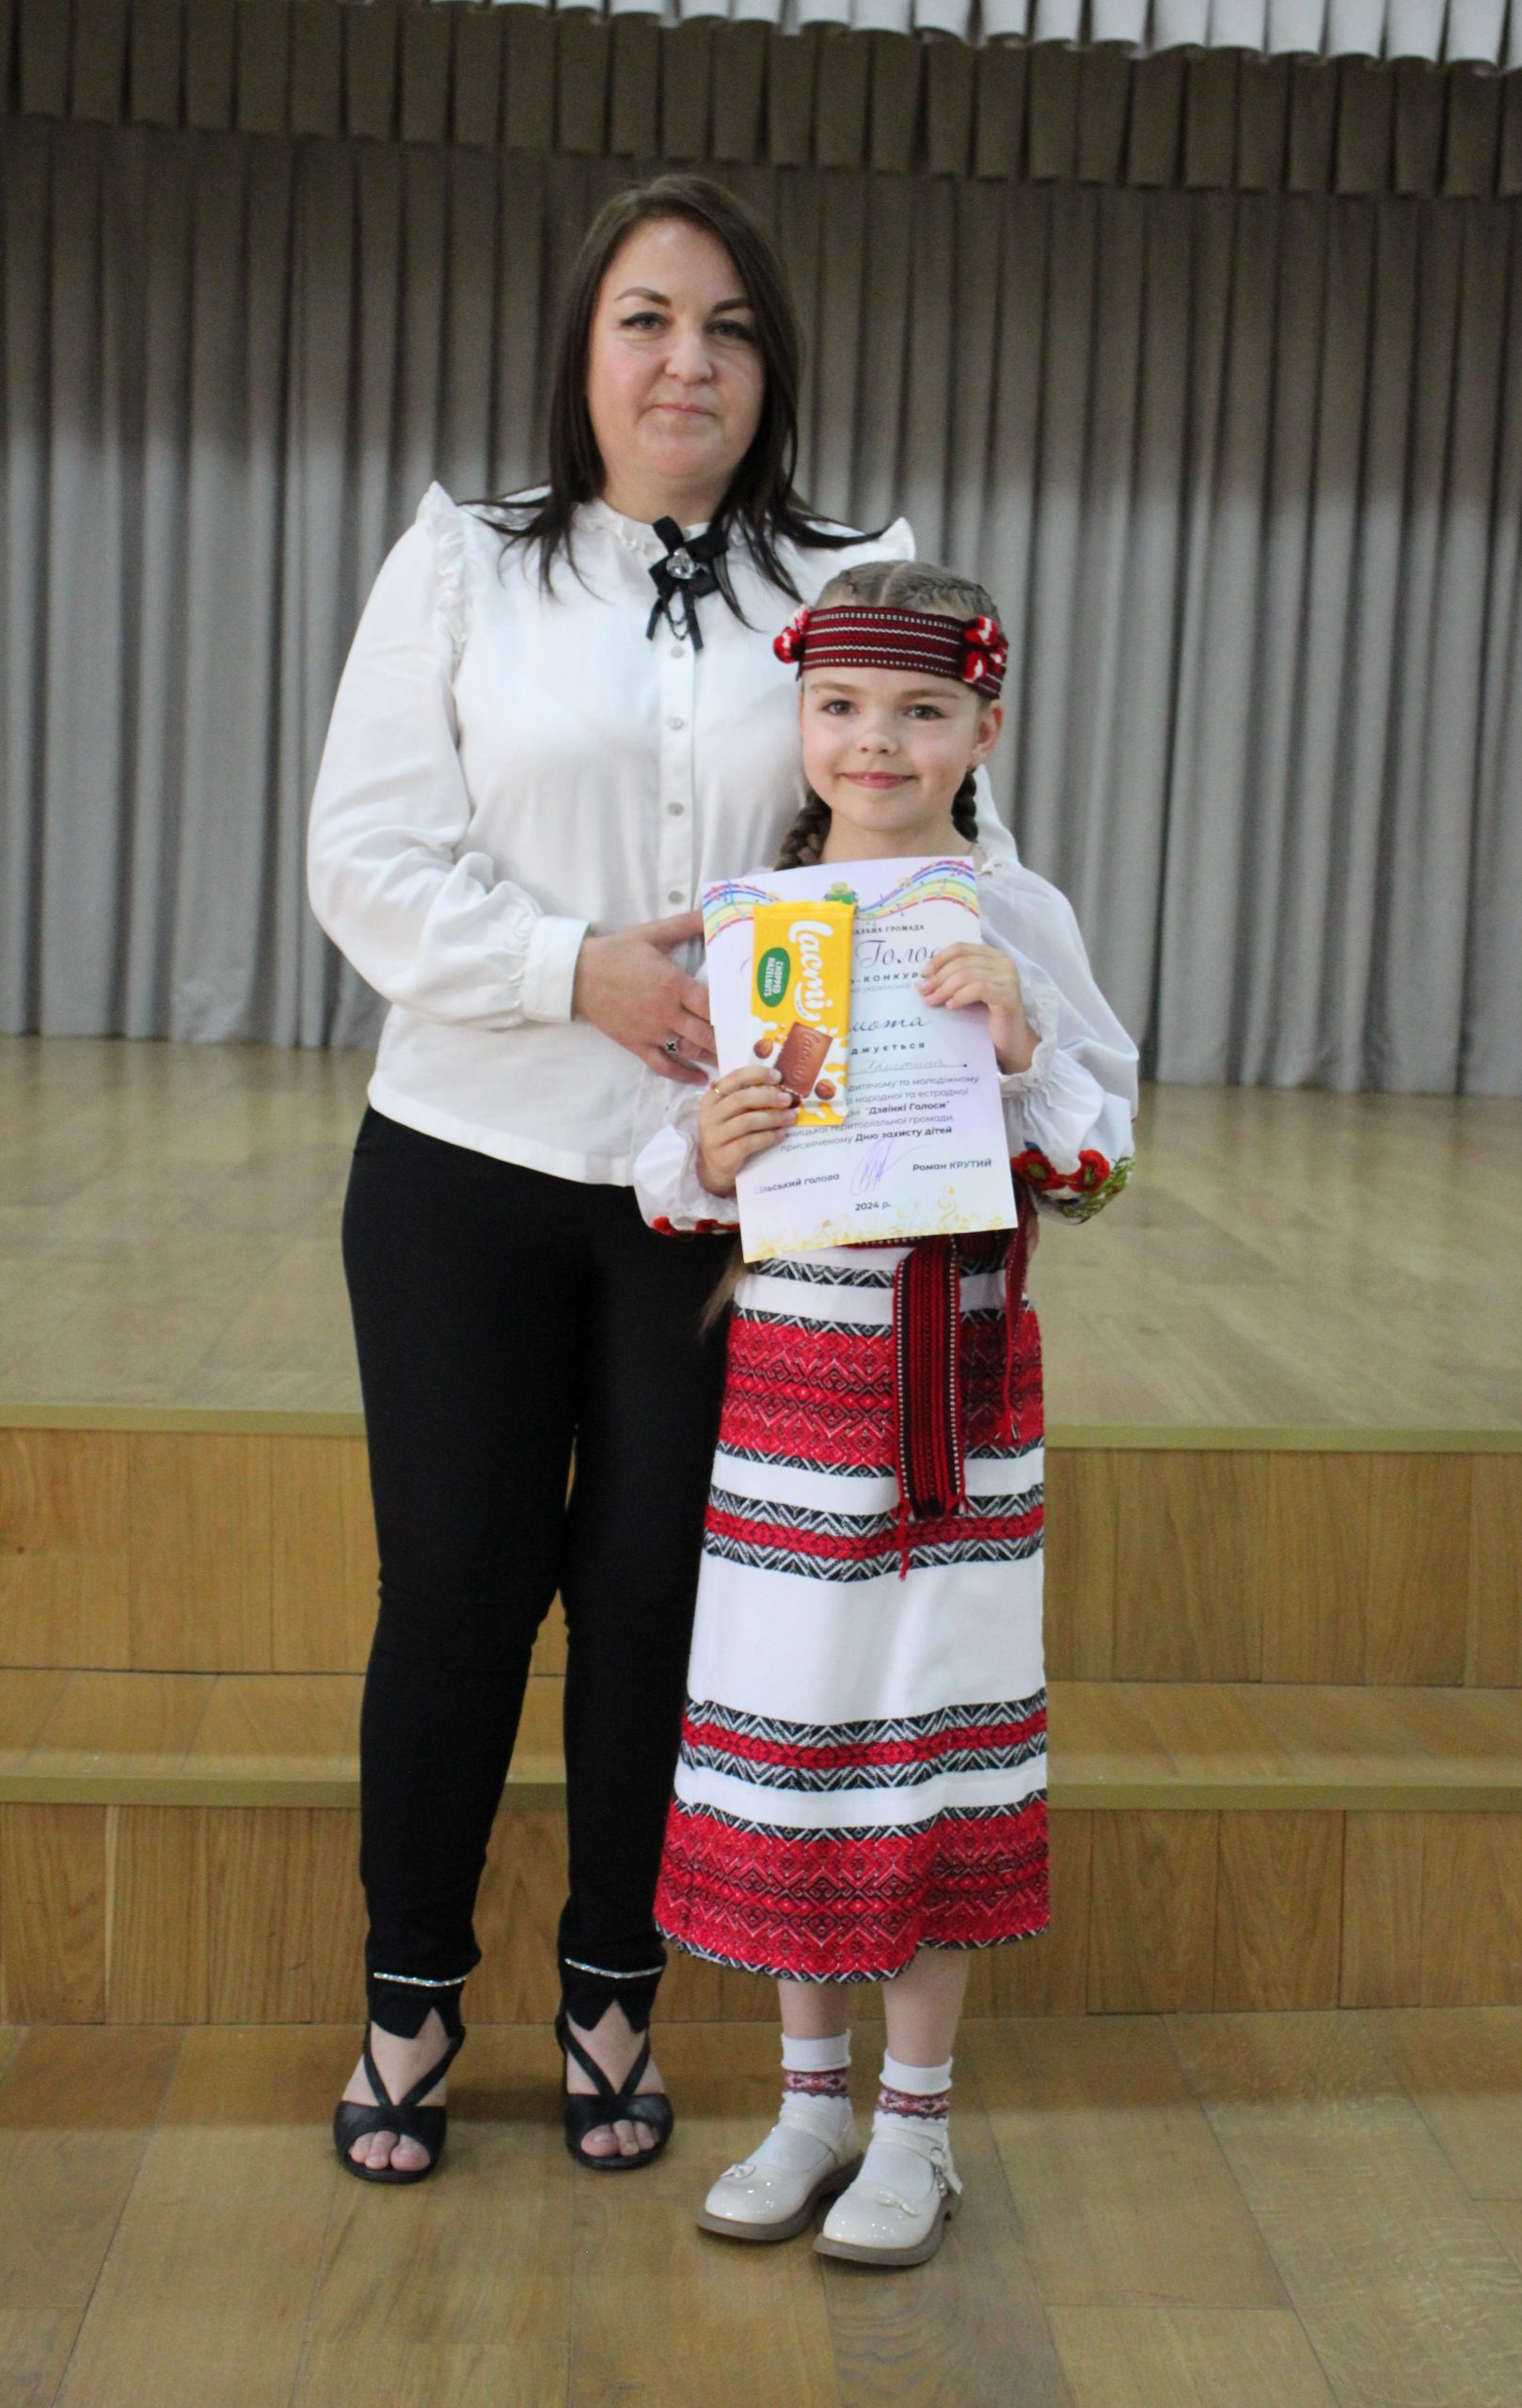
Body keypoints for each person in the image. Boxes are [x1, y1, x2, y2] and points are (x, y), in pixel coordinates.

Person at [307, 177, 1019, 2183]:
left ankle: (614, 1994)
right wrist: (576, 970)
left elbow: (935, 841)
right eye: (644, 317)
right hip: (466, 1157)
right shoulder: (464, 560)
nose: (685, 359)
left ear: (769, 366)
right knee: (455, 1591)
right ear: (585, 348)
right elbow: (364, 855)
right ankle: (408, 1999)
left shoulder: (850, 572)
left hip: (737, 1199)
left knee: (654, 1603)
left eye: (726, 325)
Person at [634, 560, 1137, 2265]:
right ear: (799, 718)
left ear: (984, 728)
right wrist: (708, 1153)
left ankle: (916, 2131)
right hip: (791, 1386)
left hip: (959, 1392)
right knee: (800, 1739)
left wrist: (1023, 1045)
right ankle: (808, 2109)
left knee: (927, 1746)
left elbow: (1101, 1160)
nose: (877, 740)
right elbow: (671, 1164)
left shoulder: (1016, 911)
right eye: (841, 705)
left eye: (923, 709)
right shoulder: (757, 921)